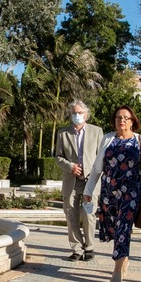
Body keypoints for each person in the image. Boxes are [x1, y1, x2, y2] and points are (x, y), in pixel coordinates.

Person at [84, 106, 141, 282]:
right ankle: (124, 259)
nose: (121, 120)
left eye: (125, 118)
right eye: (118, 117)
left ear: (132, 121)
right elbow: (97, 168)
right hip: (109, 192)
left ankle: (116, 270)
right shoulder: (107, 138)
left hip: (130, 193)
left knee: (123, 229)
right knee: (115, 229)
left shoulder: (140, 140)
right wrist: (88, 191)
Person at [54, 100, 104, 261]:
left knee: (89, 215)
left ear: (86, 115)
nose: (77, 116)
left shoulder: (97, 132)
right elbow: (58, 157)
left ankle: (89, 247)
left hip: (90, 181)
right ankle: (77, 249)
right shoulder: (63, 133)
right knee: (71, 215)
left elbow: (102, 157)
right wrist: (71, 167)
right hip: (71, 181)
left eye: (80, 113)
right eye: (74, 113)